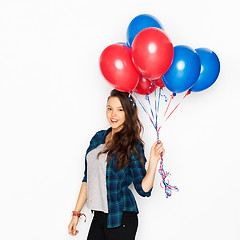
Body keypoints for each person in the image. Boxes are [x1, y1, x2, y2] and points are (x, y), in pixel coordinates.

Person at [68, 89, 165, 240]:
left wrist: (153, 161)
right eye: (110, 108)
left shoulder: (133, 144)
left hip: (122, 217)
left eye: (120, 110)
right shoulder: (98, 138)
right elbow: (87, 179)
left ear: (128, 112)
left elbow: (143, 190)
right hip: (99, 216)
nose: (113, 114)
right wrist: (76, 214)